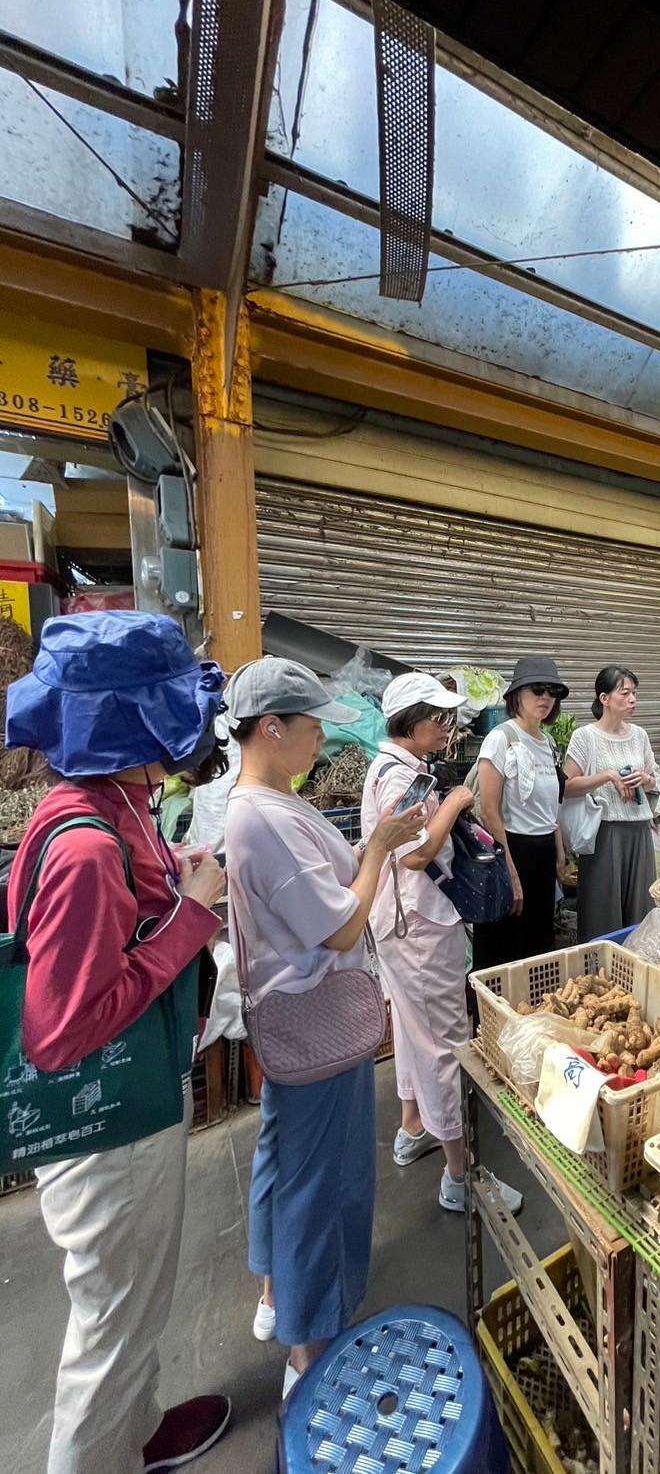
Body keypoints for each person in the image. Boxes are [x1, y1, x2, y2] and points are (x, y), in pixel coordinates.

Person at [5, 611, 231, 1474]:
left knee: (131, 1301)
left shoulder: (107, 803)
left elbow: (128, 919)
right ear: (135, 721)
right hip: (110, 1130)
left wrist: (182, 872)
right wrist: (196, 915)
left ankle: (136, 1430)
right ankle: (95, 1449)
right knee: (112, 1315)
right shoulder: (89, 846)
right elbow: (61, 1031)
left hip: (132, 1109)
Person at [221, 658, 424, 1396]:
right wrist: (379, 847)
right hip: (316, 1022)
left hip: (295, 1023)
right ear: (270, 729)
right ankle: (313, 1358)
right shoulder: (261, 818)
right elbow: (340, 928)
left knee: (285, 1165)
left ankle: (278, 1296)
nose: (321, 746)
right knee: (320, 1187)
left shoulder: (269, 802)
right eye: (311, 731)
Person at [361, 672, 523, 1214]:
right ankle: (462, 1176)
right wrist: (456, 800)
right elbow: (411, 854)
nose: (449, 729)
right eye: (440, 718)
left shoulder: (397, 767)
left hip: (404, 926)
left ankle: (413, 1127)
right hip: (419, 931)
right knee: (446, 1045)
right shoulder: (402, 778)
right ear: (410, 722)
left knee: (413, 1031)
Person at [471, 657, 568, 971]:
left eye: (552, 691)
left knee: (538, 946)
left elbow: (549, 807)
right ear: (517, 695)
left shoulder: (548, 742)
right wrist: (510, 873)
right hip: (510, 849)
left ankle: (533, 1017)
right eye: (537, 690)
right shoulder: (500, 739)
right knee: (504, 947)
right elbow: (489, 812)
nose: (545, 698)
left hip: (541, 854)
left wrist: (559, 853)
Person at [564, 665, 658, 941]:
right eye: (625, 693)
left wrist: (646, 780)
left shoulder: (639, 735)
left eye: (634, 693)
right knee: (602, 912)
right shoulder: (585, 737)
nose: (632, 699)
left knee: (641, 913)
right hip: (604, 834)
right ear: (604, 698)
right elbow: (567, 787)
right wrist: (607, 776)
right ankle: (599, 976)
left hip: (639, 833)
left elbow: (656, 781)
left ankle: (637, 975)